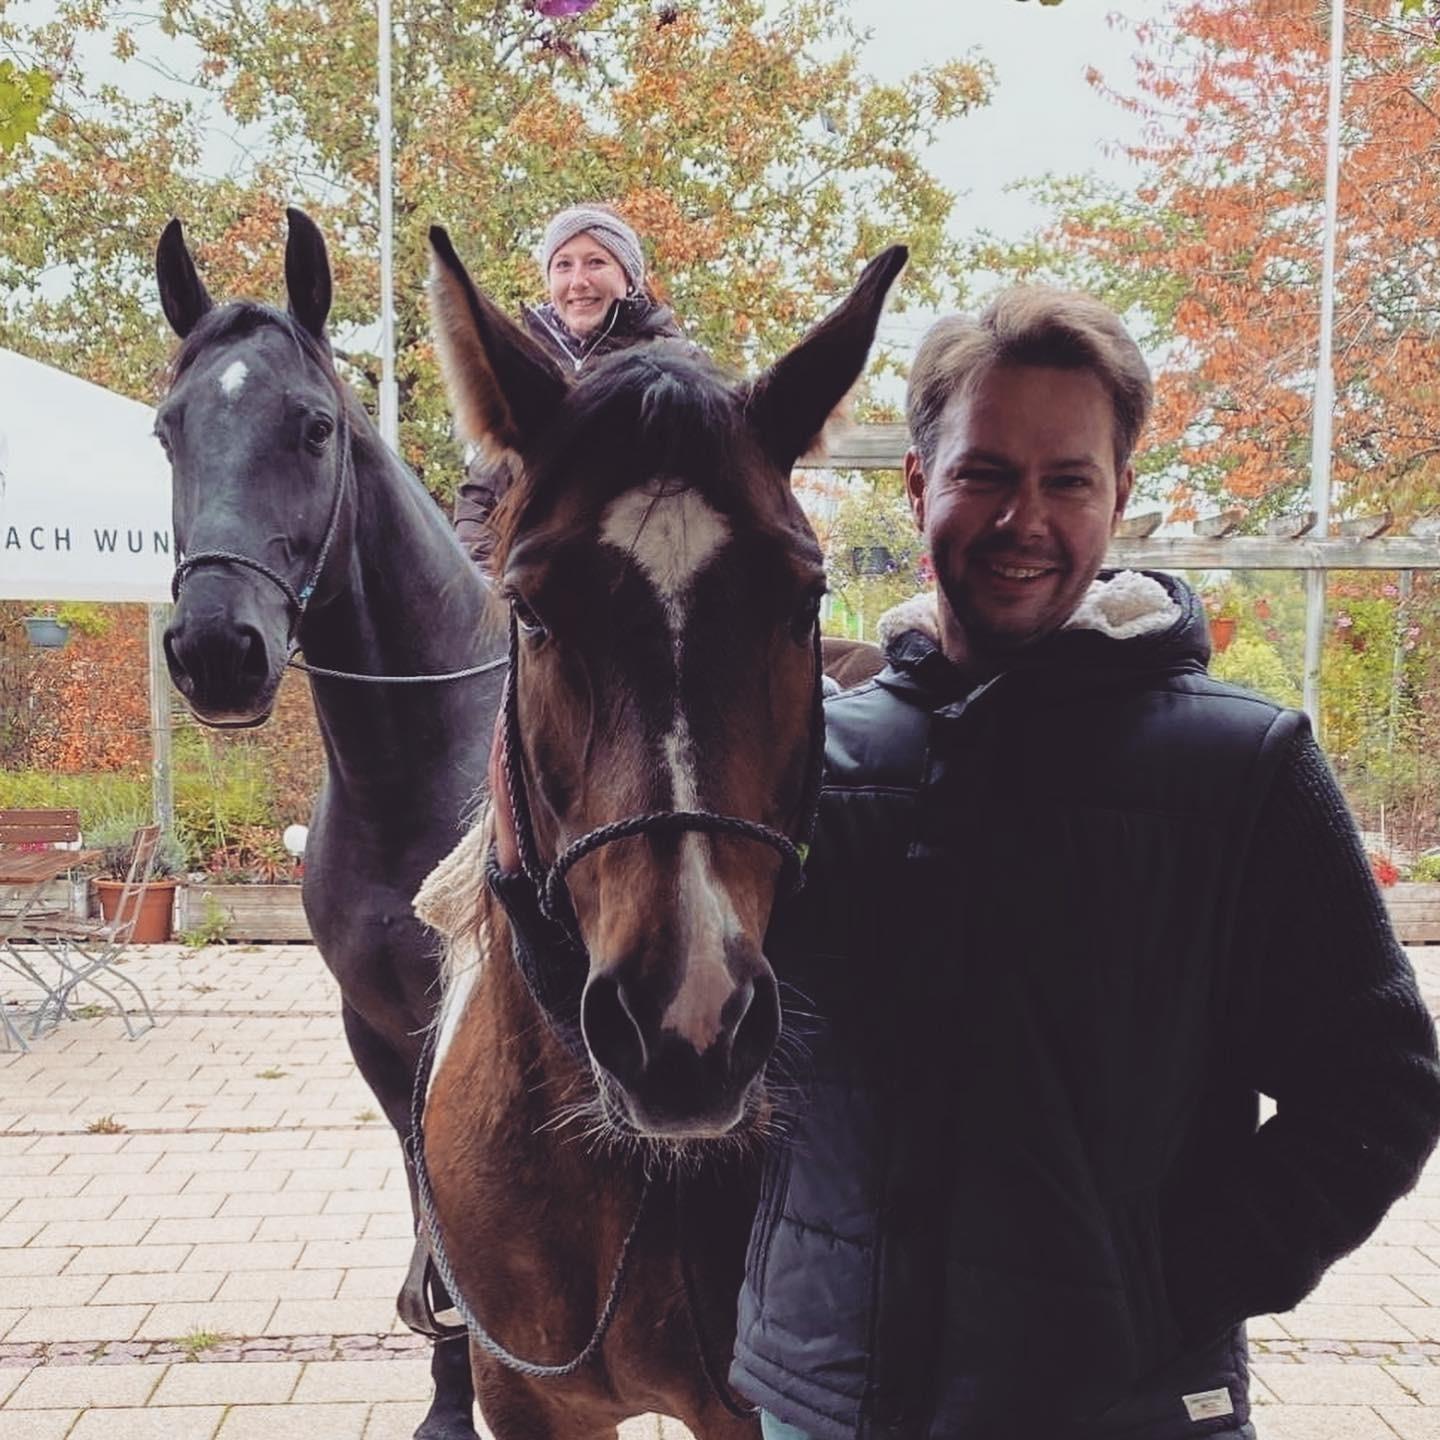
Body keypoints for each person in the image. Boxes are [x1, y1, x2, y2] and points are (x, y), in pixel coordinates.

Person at [724, 290, 1440, 1438]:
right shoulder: (813, 763)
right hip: (832, 1405)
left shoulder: (1240, 770)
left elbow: (1380, 1084)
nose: (1026, 518)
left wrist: (1170, 1295)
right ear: (917, 483)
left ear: (1120, 494)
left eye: (1068, 480)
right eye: (984, 473)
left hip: (1123, 1408)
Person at [452, 203, 682, 570]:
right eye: (563, 265)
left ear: (628, 277)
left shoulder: (676, 368)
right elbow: (482, 493)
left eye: (595, 262)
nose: (578, 282)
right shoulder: (520, 369)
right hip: (532, 585)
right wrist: (481, 578)